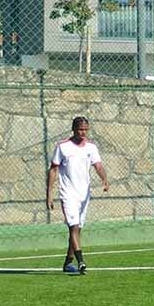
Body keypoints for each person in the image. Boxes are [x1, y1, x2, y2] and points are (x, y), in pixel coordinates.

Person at [46, 117, 109, 275]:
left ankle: (68, 262)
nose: (83, 133)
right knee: (73, 226)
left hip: (84, 194)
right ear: (74, 129)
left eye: (86, 129)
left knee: (78, 229)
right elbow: (53, 170)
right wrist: (49, 194)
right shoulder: (63, 147)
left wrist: (104, 179)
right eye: (81, 129)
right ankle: (81, 261)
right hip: (68, 194)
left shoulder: (91, 148)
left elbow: (98, 165)